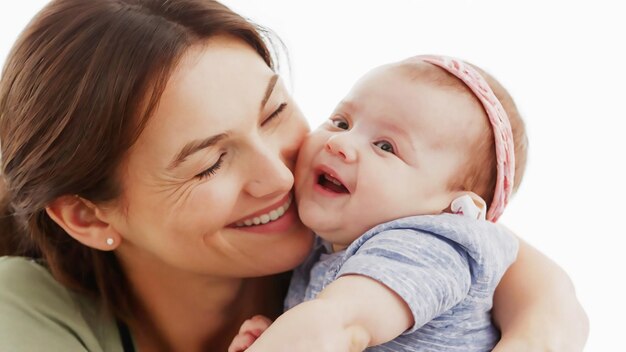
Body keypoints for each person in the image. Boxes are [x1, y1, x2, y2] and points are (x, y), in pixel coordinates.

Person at [0, 1, 587, 351]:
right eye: (211, 161)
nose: (279, 176)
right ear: (87, 215)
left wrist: (544, 316)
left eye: (275, 112)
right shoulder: (19, 310)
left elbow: (477, 243)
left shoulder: (363, 236)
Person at [228, 55, 528, 352]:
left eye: (385, 146)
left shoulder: (428, 248)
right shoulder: (325, 243)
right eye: (341, 122)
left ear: (454, 210)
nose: (341, 143)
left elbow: (343, 323)